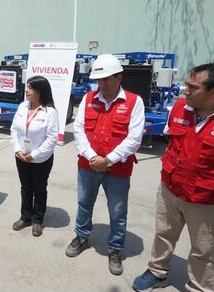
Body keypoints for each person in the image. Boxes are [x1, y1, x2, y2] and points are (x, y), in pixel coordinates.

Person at [132, 63, 214, 292]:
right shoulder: (179, 108)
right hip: (170, 190)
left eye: (193, 87)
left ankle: (198, 286)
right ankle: (157, 271)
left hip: (208, 199)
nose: (185, 90)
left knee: (203, 249)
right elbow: (172, 142)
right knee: (163, 234)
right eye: (186, 85)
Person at [67, 53, 145, 276]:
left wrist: (108, 160)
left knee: (118, 211)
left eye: (106, 80)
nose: (101, 85)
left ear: (119, 78)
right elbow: (79, 130)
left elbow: (134, 138)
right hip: (88, 165)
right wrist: (94, 158)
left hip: (117, 168)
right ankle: (82, 237)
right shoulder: (89, 98)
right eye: (98, 81)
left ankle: (115, 248)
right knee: (84, 203)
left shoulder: (133, 102)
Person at [10, 76, 59, 237]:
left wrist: (34, 155)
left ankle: (37, 219)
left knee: (39, 188)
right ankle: (25, 217)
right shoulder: (22, 106)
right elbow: (14, 130)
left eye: (30, 88)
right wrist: (18, 150)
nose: (26, 90)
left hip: (40, 159)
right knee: (25, 187)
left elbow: (52, 139)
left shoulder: (50, 112)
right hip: (21, 156)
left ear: (40, 91)